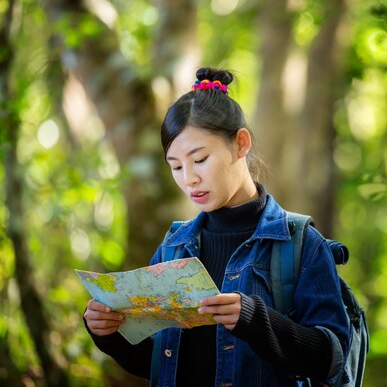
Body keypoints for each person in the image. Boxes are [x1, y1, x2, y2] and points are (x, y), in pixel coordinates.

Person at [83, 67, 350, 387]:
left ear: (241, 143)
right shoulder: (174, 247)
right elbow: (158, 362)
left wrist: (254, 319)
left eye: (200, 159)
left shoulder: (300, 243)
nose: (189, 178)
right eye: (176, 166)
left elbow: (332, 358)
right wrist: (108, 334)